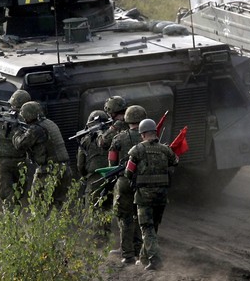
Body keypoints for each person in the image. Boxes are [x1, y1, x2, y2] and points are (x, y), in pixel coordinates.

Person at [124, 118, 179, 271]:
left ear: (142, 134)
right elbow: (175, 161)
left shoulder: (137, 150)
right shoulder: (165, 150)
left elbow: (128, 172)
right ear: (155, 132)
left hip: (144, 197)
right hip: (161, 196)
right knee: (152, 228)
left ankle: (155, 259)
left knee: (146, 228)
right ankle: (143, 258)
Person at [13, 100, 72, 206]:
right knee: (57, 207)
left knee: (38, 206)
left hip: (48, 171)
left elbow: (20, 144)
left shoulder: (36, 129)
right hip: (65, 169)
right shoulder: (49, 123)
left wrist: (16, 131)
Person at [108, 105, 147, 264]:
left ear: (127, 119)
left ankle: (127, 254)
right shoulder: (149, 137)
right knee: (141, 216)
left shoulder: (118, 138)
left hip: (124, 181)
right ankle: (140, 251)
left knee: (124, 217)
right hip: (144, 182)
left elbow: (112, 162)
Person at [0, 89, 31, 209]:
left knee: (6, 193)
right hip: (19, 160)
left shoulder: (1, 118)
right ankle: (13, 218)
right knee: (19, 192)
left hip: (3, 161)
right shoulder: (25, 119)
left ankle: (11, 218)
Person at [76, 109, 111, 206]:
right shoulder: (114, 136)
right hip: (112, 177)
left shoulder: (85, 140)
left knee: (93, 215)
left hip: (93, 179)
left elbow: (80, 165)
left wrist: (85, 176)